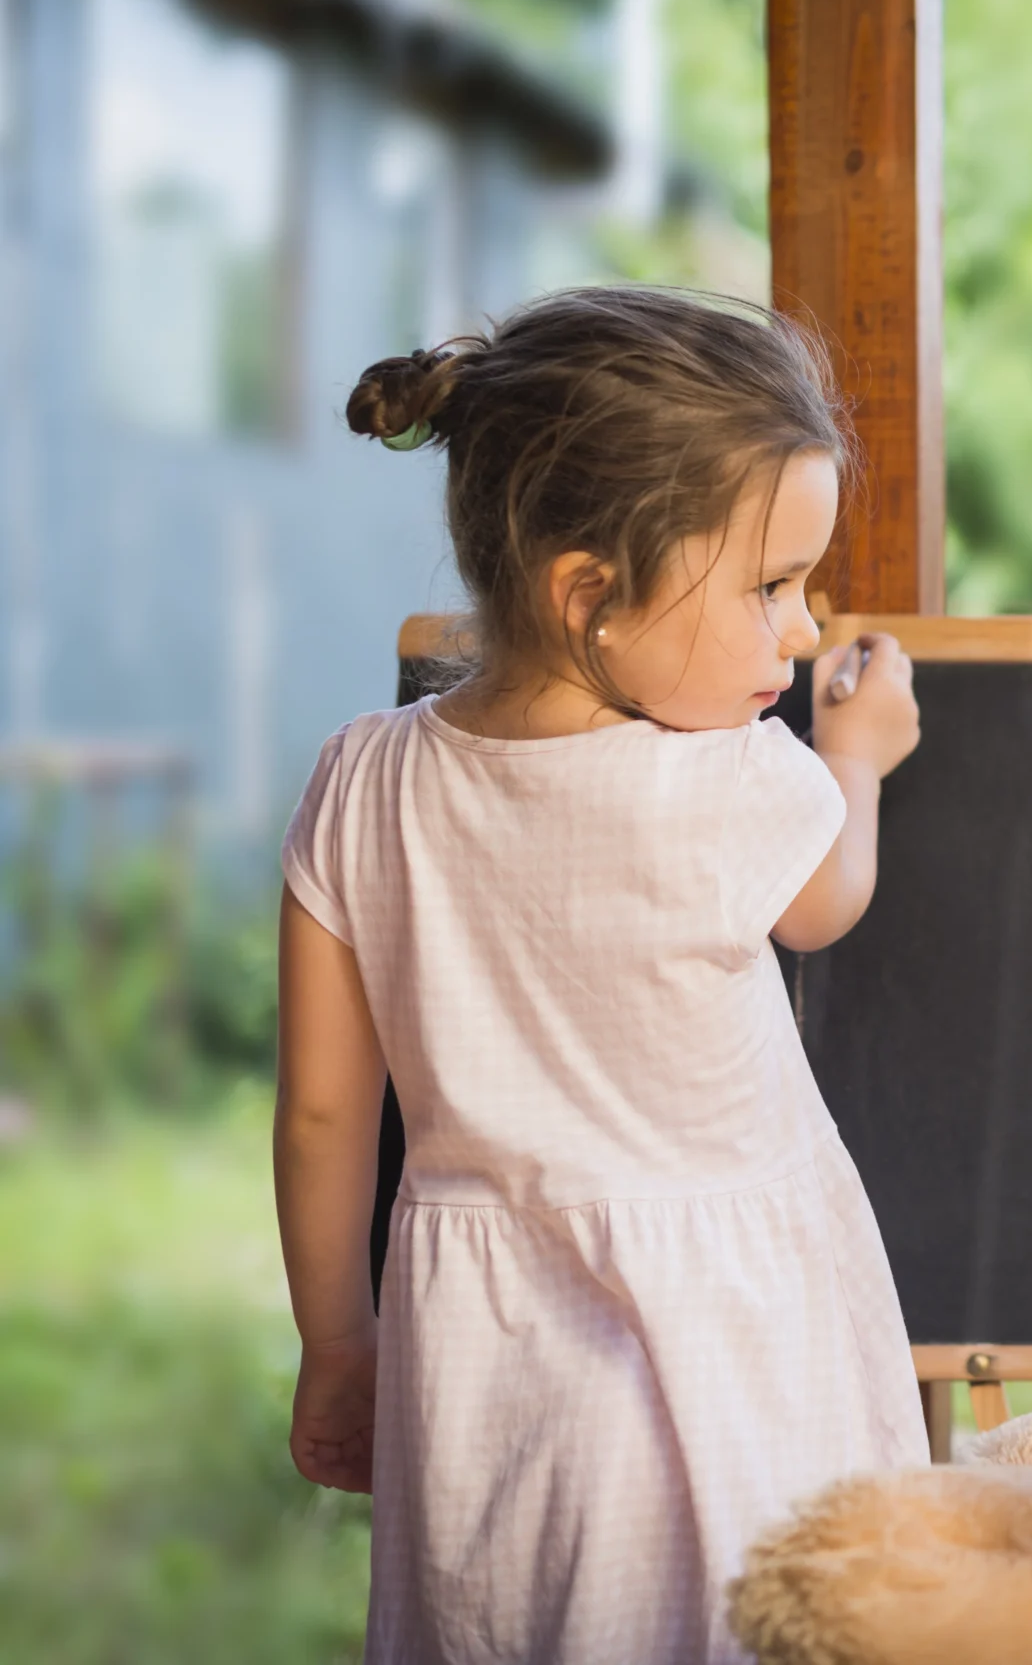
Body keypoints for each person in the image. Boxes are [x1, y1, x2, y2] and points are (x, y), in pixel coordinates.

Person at [272, 285, 928, 1663]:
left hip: (483, 1347)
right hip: (730, 1330)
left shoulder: (358, 779)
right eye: (767, 587)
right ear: (590, 597)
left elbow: (326, 1115)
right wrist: (856, 760)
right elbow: (824, 908)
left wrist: (339, 1344)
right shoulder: (735, 779)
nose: (801, 630)